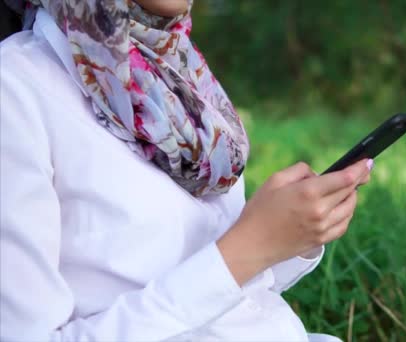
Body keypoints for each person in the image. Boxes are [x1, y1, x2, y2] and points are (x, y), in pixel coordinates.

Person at [0, 0, 372, 341]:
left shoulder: (179, 74)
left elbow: (231, 298)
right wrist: (247, 249)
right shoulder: (16, 89)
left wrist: (289, 237)